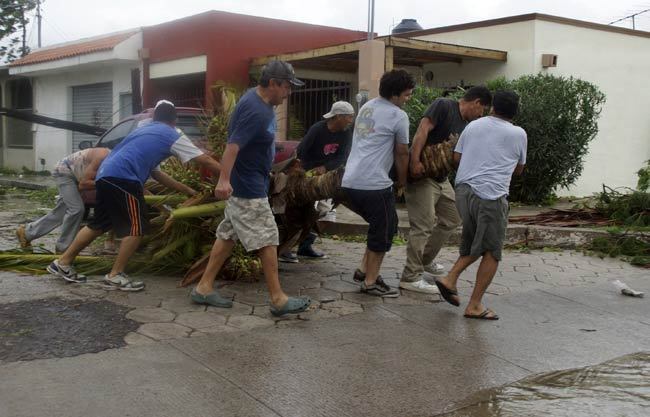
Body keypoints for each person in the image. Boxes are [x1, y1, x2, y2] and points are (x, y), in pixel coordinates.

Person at [46, 100, 221, 289]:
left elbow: (157, 174)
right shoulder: (172, 134)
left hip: (105, 176)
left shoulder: (144, 131)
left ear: (155, 117)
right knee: (136, 228)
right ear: (174, 120)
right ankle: (115, 274)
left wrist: (187, 190)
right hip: (123, 179)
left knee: (99, 224)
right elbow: (206, 160)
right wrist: (229, 177)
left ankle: (62, 263)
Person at [192, 60, 312, 316]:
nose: (289, 92)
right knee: (267, 238)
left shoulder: (258, 102)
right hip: (247, 187)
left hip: (248, 180)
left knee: (226, 236)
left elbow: (247, 143)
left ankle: (203, 287)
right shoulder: (256, 110)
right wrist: (223, 180)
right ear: (273, 83)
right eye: (287, 86)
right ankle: (278, 299)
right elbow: (232, 146)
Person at [434, 90, 527, 320]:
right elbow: (519, 169)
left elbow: (456, 158)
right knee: (492, 250)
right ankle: (472, 303)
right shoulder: (518, 133)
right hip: (491, 195)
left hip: (463, 191)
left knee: (473, 241)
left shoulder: (473, 126)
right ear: (515, 111)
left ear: (493, 106)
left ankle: (451, 280)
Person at [400, 86, 492, 294]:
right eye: (482, 110)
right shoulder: (444, 105)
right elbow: (422, 130)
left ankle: (425, 260)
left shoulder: (467, 123)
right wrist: (414, 161)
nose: (481, 115)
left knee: (453, 218)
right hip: (422, 176)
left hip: (441, 180)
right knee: (422, 226)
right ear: (477, 102)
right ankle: (410, 277)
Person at [344, 69, 415, 297]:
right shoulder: (398, 115)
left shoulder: (367, 107)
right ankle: (370, 282)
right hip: (374, 183)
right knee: (383, 232)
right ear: (394, 95)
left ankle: (364, 270)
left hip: (350, 181)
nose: (408, 99)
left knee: (385, 225)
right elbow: (402, 153)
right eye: (406, 95)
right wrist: (403, 182)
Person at [279, 100, 355, 262]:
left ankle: (305, 245)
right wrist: (303, 172)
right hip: (307, 177)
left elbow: (342, 157)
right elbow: (301, 151)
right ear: (338, 116)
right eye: (349, 117)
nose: (351, 121)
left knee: (327, 213)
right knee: (301, 213)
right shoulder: (317, 129)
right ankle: (285, 248)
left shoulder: (346, 133)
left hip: (327, 178)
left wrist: (325, 168)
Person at [16, 147, 110, 254]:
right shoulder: (103, 156)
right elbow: (84, 183)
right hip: (64, 171)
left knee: (62, 211)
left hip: (75, 175)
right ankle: (63, 248)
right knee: (76, 209)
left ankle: (27, 232)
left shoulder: (113, 159)